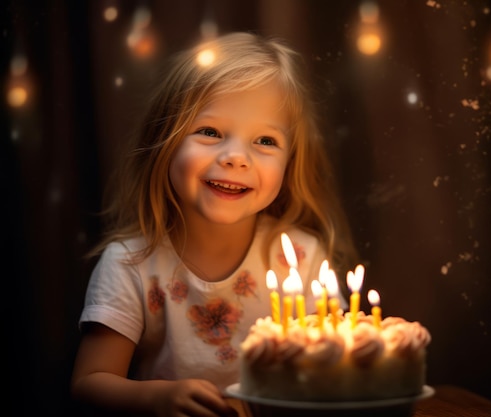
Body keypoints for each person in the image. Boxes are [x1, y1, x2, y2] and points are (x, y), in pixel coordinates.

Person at [71, 31, 356, 417]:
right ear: (165, 142)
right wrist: (155, 398)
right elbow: (89, 382)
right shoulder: (130, 265)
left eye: (266, 140)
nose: (236, 157)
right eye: (210, 132)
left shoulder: (302, 257)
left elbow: (339, 362)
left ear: (291, 163)